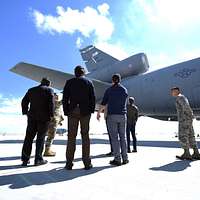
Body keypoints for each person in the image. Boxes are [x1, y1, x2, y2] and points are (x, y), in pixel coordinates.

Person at [62, 66, 96, 170]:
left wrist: (66, 111)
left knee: (71, 137)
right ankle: (87, 163)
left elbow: (65, 98)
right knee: (85, 136)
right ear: (84, 72)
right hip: (85, 112)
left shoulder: (69, 82)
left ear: (75, 73)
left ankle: (69, 163)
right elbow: (93, 98)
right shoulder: (89, 82)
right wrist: (91, 110)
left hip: (73, 111)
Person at [21, 78, 55, 166]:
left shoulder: (31, 90)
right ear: (48, 83)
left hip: (32, 117)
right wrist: (51, 115)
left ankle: (25, 160)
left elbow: (24, 101)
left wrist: (25, 112)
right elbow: (51, 103)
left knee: (28, 138)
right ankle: (38, 160)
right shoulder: (49, 90)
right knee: (40, 138)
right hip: (44, 118)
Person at [97, 74, 129, 166]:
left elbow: (103, 103)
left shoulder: (109, 90)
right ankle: (125, 158)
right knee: (123, 137)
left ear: (112, 80)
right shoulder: (124, 90)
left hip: (112, 116)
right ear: (120, 80)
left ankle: (117, 159)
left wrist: (99, 113)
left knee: (114, 138)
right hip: (123, 116)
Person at [171, 87, 200, 160]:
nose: (172, 93)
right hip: (187, 119)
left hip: (184, 120)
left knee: (183, 136)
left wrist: (188, 117)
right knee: (191, 135)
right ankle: (196, 153)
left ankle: (186, 153)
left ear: (177, 91)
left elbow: (186, 107)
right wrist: (190, 117)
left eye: (173, 91)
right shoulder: (182, 97)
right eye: (172, 92)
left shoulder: (179, 97)